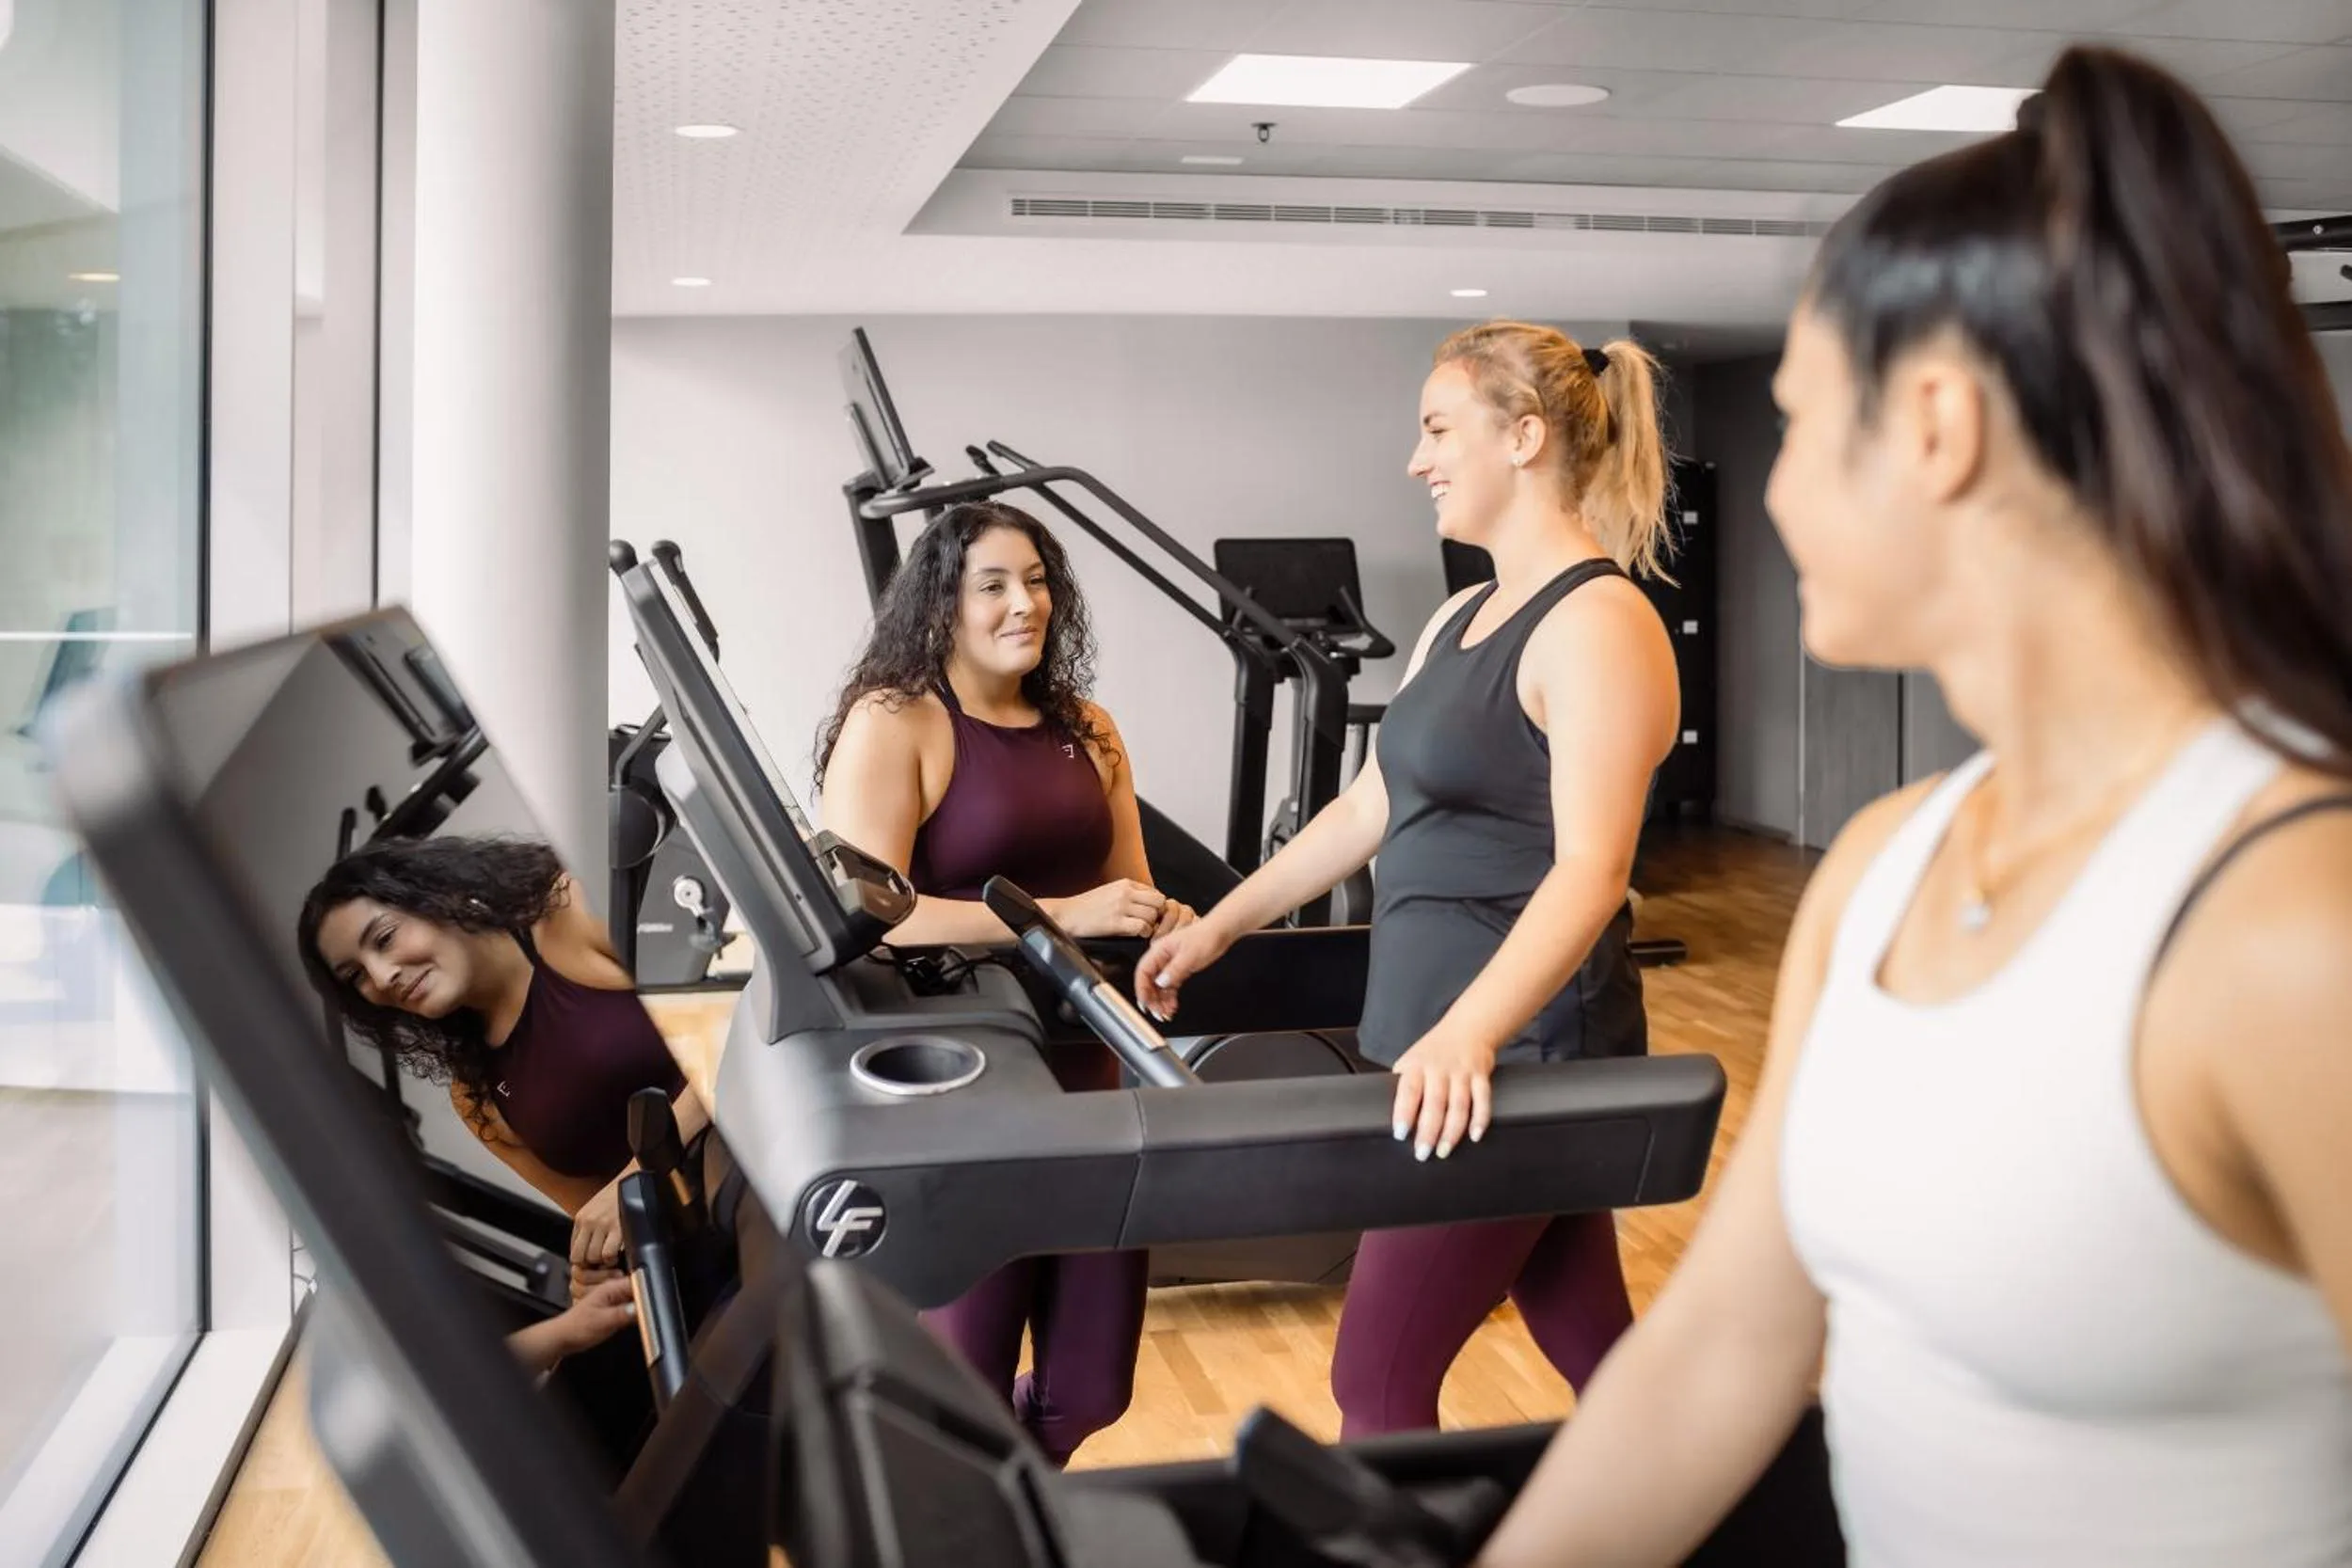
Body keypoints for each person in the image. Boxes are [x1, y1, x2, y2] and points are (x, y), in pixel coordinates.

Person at [1469, 46, 2352, 1568]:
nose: (1770, 491)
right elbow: (1725, 1353)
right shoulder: (1886, 866)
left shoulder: (2289, 923)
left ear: (1938, 425)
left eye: (1804, 425)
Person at [1140, 322, 1680, 1437]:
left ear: (1523, 437)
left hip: (1512, 1066)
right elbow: (1364, 809)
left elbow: (1593, 869)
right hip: (1454, 1054)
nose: (1417, 458)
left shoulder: (1597, 623)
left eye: (1438, 429)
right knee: (1605, 1361)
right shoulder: (1457, 616)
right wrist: (1220, 928)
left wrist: (1470, 1032)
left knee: (1374, 1378)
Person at [815, 499, 1192, 1465]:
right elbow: (870, 923)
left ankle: (994, 1506)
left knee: (1090, 1389)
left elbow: (1132, 892)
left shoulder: (1089, 729)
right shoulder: (897, 722)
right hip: (963, 1091)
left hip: (1088, 1077)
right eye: (994, 584)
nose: (1025, 603)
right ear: (941, 604)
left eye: (1037, 581)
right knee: (964, 1384)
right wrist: (1061, 914)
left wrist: (1167, 926)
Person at [300, 834, 707, 1299]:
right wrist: (596, 1274)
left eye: (385, 938)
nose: (380, 976)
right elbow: (599, 1215)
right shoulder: (476, 1098)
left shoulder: (572, 913)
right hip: (707, 1245)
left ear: (441, 894)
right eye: (355, 977)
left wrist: (642, 1173)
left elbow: (742, 1032)